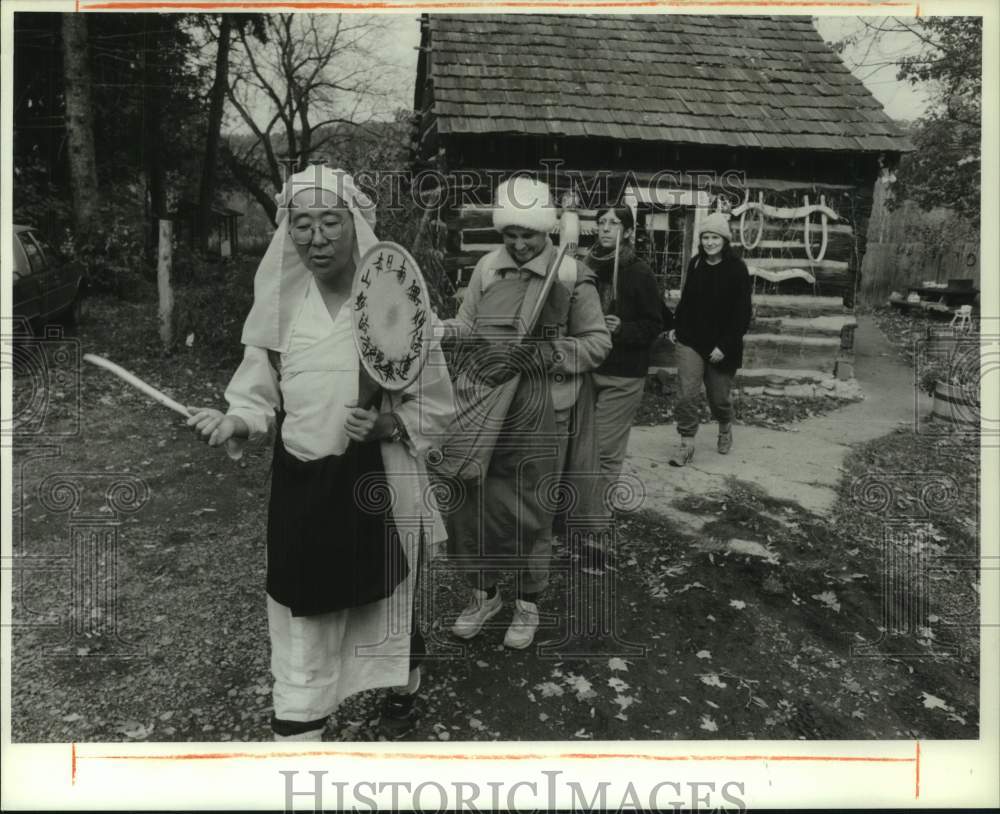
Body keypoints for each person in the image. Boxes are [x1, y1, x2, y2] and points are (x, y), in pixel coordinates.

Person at [186, 165, 454, 741]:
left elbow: (436, 406)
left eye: (330, 221)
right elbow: (256, 396)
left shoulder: (394, 306)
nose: (316, 237)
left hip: (377, 483)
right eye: (301, 223)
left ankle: (405, 678)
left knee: (383, 601)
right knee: (301, 612)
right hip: (303, 488)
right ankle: (301, 732)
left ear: (356, 225)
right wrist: (235, 420)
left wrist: (388, 423)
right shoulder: (283, 310)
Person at [440, 176, 611, 650]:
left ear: (547, 230)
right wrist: (439, 331)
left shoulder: (570, 276)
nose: (518, 244)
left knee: (530, 511)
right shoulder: (487, 269)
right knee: (473, 503)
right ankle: (486, 595)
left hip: (544, 411)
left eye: (528, 235)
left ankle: (527, 605)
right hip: (485, 406)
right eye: (509, 233)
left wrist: (547, 353)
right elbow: (468, 325)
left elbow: (598, 343)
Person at [583, 205, 663, 495]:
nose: (605, 228)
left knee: (604, 450)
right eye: (602, 222)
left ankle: (596, 520)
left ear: (628, 232)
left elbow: (656, 324)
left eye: (614, 223)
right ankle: (578, 509)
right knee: (581, 446)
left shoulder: (639, 272)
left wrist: (623, 329)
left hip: (622, 374)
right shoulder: (586, 267)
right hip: (587, 368)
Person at [667, 211, 752, 466]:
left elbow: (742, 314)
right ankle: (686, 443)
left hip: (722, 346)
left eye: (714, 237)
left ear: (724, 240)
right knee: (686, 394)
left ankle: (725, 425)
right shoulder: (695, 264)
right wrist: (676, 326)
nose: (709, 242)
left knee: (719, 398)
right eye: (705, 237)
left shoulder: (737, 269)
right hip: (691, 340)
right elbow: (687, 300)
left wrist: (724, 346)